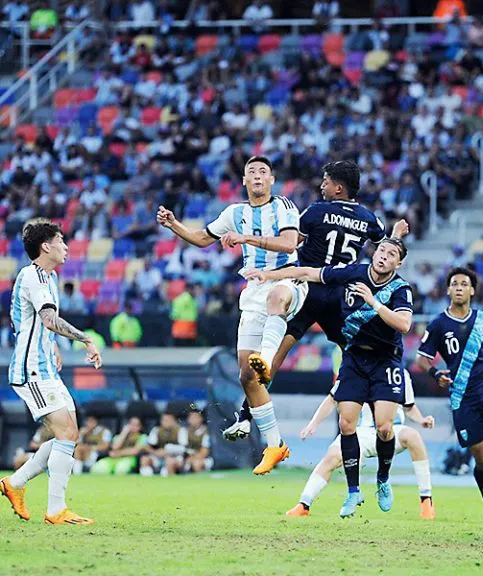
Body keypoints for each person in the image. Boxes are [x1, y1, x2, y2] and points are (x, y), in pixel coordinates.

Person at [223, 161, 407, 441]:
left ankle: (246, 416)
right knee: (362, 355)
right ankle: (384, 409)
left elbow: (290, 242)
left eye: (326, 181)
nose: (322, 186)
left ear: (338, 188)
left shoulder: (316, 212)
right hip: (342, 296)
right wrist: (396, 235)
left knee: (274, 357)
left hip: (308, 289)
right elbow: (386, 250)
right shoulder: (370, 219)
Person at [157, 156, 306, 475]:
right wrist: (174, 225)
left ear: (272, 180)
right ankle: (275, 445)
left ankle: (266, 359)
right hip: (254, 288)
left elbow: (289, 243)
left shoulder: (283, 206)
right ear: (243, 180)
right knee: (246, 376)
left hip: (287, 278)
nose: (257, 175)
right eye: (252, 171)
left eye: (263, 171)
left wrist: (245, 238)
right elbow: (202, 238)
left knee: (277, 300)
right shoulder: (234, 213)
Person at [246, 238, 413, 518]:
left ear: (399, 263)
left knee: (385, 428)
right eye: (382, 250)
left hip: (385, 360)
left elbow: (404, 324)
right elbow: (308, 272)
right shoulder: (354, 272)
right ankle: (353, 491)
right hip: (354, 357)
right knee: (346, 425)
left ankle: (383, 478)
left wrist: (373, 302)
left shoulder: (400, 289)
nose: (384, 256)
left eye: (391, 254)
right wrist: (268, 275)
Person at [0, 218, 103, 526]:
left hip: (45, 366)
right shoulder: (33, 276)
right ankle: (56, 509)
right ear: (46, 246)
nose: (66, 247)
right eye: (61, 241)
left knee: (69, 435)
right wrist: (85, 339)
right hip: (32, 369)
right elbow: (47, 319)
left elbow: (31, 319)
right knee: (66, 434)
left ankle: (15, 483)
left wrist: (53, 344)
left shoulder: (49, 277)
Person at [416, 267, 483, 519]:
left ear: (472, 291)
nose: (459, 288)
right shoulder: (438, 324)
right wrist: (435, 373)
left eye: (464, 284)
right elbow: (421, 359)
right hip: (463, 398)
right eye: (454, 284)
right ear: (448, 290)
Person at [286, 371, 436, 519]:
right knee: (332, 457)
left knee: (413, 436)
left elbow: (409, 406)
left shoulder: (398, 372)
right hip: (360, 431)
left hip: (391, 430)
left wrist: (421, 420)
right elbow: (332, 399)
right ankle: (304, 504)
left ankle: (426, 501)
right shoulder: (353, 368)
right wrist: (313, 423)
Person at [139, 412, 188, 477]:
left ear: (174, 421)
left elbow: (184, 448)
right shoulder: (156, 430)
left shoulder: (181, 430)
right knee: (144, 459)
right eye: (163, 420)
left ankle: (171, 479)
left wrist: (167, 450)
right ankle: (148, 480)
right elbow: (147, 446)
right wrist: (155, 452)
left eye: (168, 420)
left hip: (176, 458)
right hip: (158, 457)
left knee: (169, 462)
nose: (165, 422)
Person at [184, 409, 212, 474]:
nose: (192, 419)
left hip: (206, 458)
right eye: (190, 417)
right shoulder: (185, 431)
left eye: (195, 417)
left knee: (196, 464)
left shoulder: (206, 432)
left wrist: (192, 458)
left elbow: (204, 452)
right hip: (189, 458)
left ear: (201, 418)